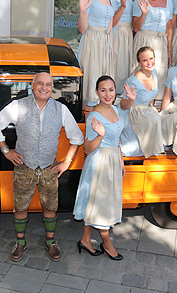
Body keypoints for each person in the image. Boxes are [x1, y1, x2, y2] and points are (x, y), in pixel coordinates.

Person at [0, 72, 84, 262]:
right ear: (32, 86)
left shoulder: (61, 109)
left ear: (52, 88)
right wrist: (7, 151)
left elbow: (77, 137)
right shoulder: (18, 106)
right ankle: (20, 243)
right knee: (20, 207)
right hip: (24, 167)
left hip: (49, 168)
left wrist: (67, 162)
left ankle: (50, 242)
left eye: (48, 84)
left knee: (50, 207)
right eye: (40, 83)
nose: (44, 88)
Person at [74, 75, 125, 261]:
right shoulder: (94, 116)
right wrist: (100, 136)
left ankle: (85, 240)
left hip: (112, 160)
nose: (107, 94)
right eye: (103, 90)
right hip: (100, 162)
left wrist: (121, 160)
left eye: (111, 89)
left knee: (92, 202)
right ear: (96, 92)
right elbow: (87, 149)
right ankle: (107, 243)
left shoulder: (116, 110)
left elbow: (118, 139)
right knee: (101, 203)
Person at [78, 0, 116, 109]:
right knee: (91, 84)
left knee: (105, 86)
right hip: (92, 44)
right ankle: (88, 126)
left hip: (105, 45)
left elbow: (111, 27)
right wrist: (82, 11)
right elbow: (82, 29)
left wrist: (112, 51)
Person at [132, 0, 173, 99]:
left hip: (161, 44)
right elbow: (135, 27)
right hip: (144, 40)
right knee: (142, 76)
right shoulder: (140, 0)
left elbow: (169, 29)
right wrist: (144, 13)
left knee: (159, 76)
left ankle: (155, 111)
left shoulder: (169, 3)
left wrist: (169, 50)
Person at [119, 46, 163, 158]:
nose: (149, 63)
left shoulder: (155, 73)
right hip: (133, 111)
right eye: (145, 60)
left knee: (157, 119)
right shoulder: (133, 81)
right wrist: (132, 99)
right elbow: (123, 105)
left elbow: (151, 96)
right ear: (139, 62)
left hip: (146, 109)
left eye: (151, 58)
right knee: (152, 121)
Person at [108, 0, 134, 89]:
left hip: (127, 33)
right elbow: (111, 22)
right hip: (118, 34)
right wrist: (122, 7)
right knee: (119, 69)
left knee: (126, 68)